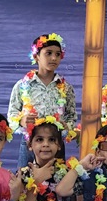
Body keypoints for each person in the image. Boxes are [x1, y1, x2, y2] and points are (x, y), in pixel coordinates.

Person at [8, 33, 77, 168]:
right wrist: (21, 121)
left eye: (58, 54)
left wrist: (66, 126)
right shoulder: (22, 85)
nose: (54, 58)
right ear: (36, 56)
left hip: (55, 142)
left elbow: (72, 116)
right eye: (48, 53)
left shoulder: (66, 87)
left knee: (57, 177)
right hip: (29, 142)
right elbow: (11, 114)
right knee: (25, 176)